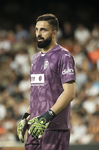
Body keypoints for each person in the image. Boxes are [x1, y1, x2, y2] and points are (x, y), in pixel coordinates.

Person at [17, 14, 76, 150]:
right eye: (37, 29)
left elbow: (69, 93)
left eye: (43, 30)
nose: (38, 33)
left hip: (55, 128)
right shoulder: (36, 59)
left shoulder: (64, 56)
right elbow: (39, 94)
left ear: (54, 33)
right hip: (35, 128)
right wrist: (25, 116)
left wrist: (46, 117)